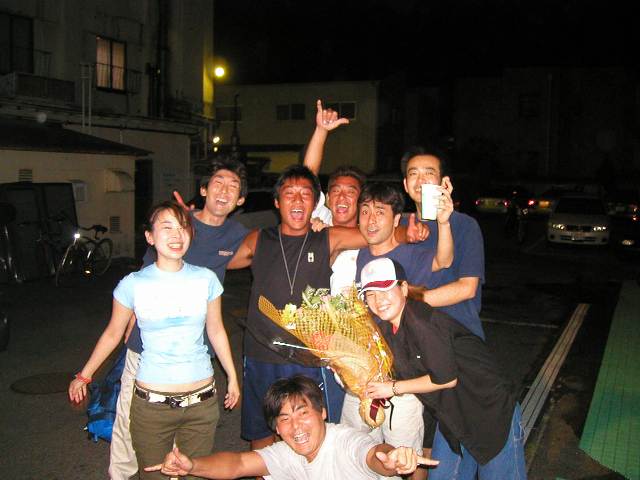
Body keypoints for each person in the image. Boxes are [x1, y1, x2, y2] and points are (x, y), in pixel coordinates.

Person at [226, 165, 426, 453]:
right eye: (289, 194)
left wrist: (408, 231)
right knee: (262, 432)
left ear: (316, 203)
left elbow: (376, 234)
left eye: (305, 194)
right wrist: (202, 224)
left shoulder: (328, 237)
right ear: (277, 202)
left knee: (315, 433)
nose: (297, 201)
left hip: (310, 357)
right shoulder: (259, 239)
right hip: (261, 353)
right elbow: (220, 260)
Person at [69, 201, 240, 479]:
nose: (177, 235)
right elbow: (113, 333)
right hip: (152, 405)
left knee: (195, 475)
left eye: (183, 227)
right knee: (154, 475)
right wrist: (84, 375)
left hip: (202, 403)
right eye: (167, 227)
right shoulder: (133, 284)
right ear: (150, 237)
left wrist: (232, 377)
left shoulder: (206, 279)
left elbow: (216, 330)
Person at [109, 159, 249, 480]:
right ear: (204, 189)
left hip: (193, 352)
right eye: (217, 182)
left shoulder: (236, 235)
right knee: (129, 426)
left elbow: (281, 232)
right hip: (146, 347)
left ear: (240, 199)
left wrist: (318, 222)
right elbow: (142, 277)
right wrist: (130, 322)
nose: (224, 191)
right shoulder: (177, 222)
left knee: (180, 442)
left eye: (233, 187)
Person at [361, 258, 526, 480]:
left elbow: (446, 378)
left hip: (487, 409)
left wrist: (392, 388)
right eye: (371, 294)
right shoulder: (386, 326)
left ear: (404, 288)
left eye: (386, 289)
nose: (378, 300)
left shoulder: (423, 322)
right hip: (451, 415)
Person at [340, 182, 453, 480]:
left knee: (409, 453)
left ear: (396, 219)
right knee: (368, 452)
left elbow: (443, 261)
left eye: (380, 212)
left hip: (407, 375)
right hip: (369, 375)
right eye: (365, 211)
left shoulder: (410, 254)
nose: (371, 219)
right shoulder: (358, 255)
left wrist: (443, 223)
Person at [146, 375, 438, 479]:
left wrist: (391, 459)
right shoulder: (287, 452)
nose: (295, 425)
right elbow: (237, 464)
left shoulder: (344, 441)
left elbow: (373, 455)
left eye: (302, 412)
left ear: (323, 412)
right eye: (284, 418)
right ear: (276, 427)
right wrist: (191, 465)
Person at [400, 146, 485, 339]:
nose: (420, 180)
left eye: (429, 173)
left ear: (444, 183)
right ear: (405, 184)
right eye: (413, 174)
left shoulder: (465, 225)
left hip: (456, 331)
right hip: (408, 332)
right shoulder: (399, 225)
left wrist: (406, 301)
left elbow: (467, 288)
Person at [303, 99, 366, 294]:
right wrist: (321, 131)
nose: (342, 197)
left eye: (350, 192)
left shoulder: (370, 231)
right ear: (328, 199)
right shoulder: (320, 218)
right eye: (336, 191)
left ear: (361, 201)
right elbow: (307, 178)